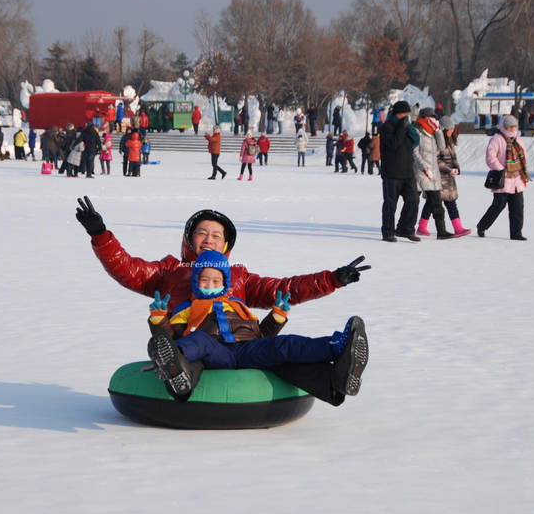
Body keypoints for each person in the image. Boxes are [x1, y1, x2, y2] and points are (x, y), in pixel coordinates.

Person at [74, 196, 372, 406]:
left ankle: (340, 360)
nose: (208, 239)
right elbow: (128, 269)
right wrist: (100, 235)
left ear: (226, 244)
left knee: (286, 347)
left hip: (244, 345)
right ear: (189, 239)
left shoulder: (239, 276)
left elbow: (285, 288)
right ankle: (174, 364)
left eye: (216, 235)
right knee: (198, 345)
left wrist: (332, 279)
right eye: (201, 233)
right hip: (199, 345)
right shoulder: (170, 271)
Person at [145, 249, 368, 401]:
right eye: (204, 280)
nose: (210, 285)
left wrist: (277, 317)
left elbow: (260, 334)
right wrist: (159, 318)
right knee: (200, 341)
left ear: (225, 283)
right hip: (215, 352)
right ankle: (175, 362)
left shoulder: (238, 305)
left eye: (216, 281)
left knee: (284, 344)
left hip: (246, 349)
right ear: (195, 282)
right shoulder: (188, 308)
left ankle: (337, 347)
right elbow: (171, 335)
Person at [476, 115, 530, 241]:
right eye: (509, 126)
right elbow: (491, 157)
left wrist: (523, 173)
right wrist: (501, 169)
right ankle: (482, 226)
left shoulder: (519, 141)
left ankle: (516, 233)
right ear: (504, 127)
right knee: (498, 206)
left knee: (518, 208)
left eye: (514, 126)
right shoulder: (497, 139)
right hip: (503, 180)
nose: (512, 129)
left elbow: (524, 159)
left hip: (517, 181)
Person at [418, 114, 469, 238]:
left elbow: (453, 159)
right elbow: (435, 160)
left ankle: (458, 228)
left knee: (451, 203)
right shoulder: (436, 142)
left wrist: (456, 169)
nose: (452, 131)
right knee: (432, 203)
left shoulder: (449, 143)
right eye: (450, 129)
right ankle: (421, 226)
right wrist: (448, 169)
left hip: (449, 180)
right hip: (438, 179)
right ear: (444, 129)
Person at [379, 100, 420, 242]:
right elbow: (393, 144)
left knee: (413, 199)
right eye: (405, 115)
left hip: (408, 171)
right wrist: (402, 128)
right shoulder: (387, 127)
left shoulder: (408, 128)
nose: (407, 118)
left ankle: (405, 228)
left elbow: (415, 143)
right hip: (391, 172)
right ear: (398, 114)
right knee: (390, 204)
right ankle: (388, 232)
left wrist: (411, 130)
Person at [411, 108, 454, 239]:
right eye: (432, 118)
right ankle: (407, 228)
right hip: (419, 171)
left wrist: (438, 131)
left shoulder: (434, 131)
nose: (434, 120)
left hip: (432, 173)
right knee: (413, 202)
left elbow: (441, 147)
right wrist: (423, 167)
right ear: (425, 118)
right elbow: (414, 152)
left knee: (437, 204)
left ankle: (441, 231)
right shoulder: (417, 130)